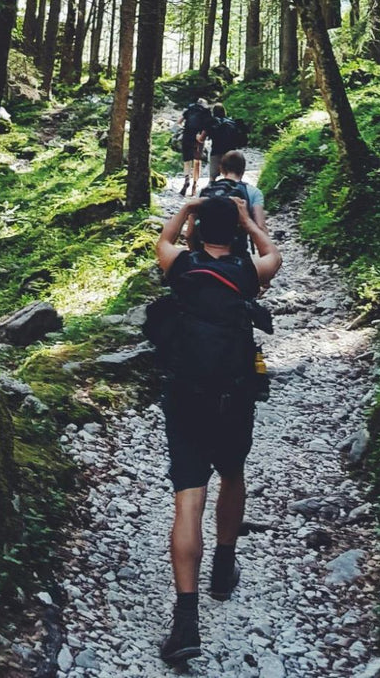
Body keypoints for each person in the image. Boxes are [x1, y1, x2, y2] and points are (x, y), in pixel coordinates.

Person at [154, 191, 282, 665]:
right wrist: (250, 223)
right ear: (234, 231)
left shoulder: (181, 267)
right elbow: (274, 254)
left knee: (189, 498)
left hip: (186, 397)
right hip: (235, 396)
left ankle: (186, 621)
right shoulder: (249, 273)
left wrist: (187, 210)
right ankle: (223, 569)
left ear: (200, 229)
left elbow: (162, 239)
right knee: (232, 473)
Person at [178, 96, 212, 197]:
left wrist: (183, 129)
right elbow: (208, 127)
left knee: (187, 160)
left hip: (187, 135)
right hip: (198, 137)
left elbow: (179, 122)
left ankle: (186, 179)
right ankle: (194, 185)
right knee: (197, 161)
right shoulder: (206, 112)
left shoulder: (190, 109)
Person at [206, 103, 245, 181]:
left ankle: (211, 189)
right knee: (231, 174)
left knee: (212, 177)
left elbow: (202, 138)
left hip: (216, 152)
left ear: (213, 112)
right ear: (224, 111)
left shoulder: (212, 123)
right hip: (230, 153)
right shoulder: (231, 122)